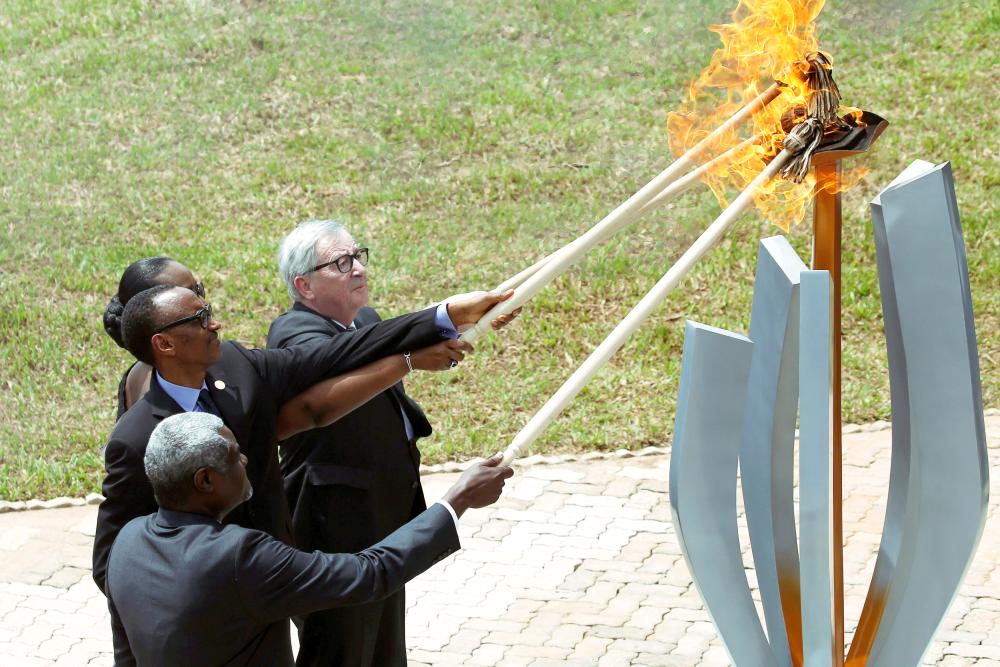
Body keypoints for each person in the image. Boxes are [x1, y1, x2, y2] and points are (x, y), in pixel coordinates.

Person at [94, 283, 510, 664]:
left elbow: (334, 355)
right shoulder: (135, 440)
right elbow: (112, 566)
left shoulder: (238, 369)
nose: (214, 323)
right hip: (221, 613)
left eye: (209, 310)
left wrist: (445, 315)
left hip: (277, 580)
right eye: (199, 319)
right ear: (164, 343)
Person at [267, 219, 519, 666]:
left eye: (358, 257)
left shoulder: (362, 319)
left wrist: (467, 323)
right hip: (334, 521)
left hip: (380, 511)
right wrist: (412, 354)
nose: (358, 270)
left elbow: (381, 345)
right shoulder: (294, 335)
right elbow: (370, 360)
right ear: (304, 285)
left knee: (383, 643)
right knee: (342, 643)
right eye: (341, 263)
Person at [106, 412, 513, 667]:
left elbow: (126, 656)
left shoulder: (126, 543)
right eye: (233, 455)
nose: (245, 459)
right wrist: (455, 501)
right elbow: (370, 573)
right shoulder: (239, 557)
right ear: (205, 480)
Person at [103, 257, 203, 416]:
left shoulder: (172, 365)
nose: (202, 303)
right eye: (191, 295)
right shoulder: (159, 391)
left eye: (199, 290)